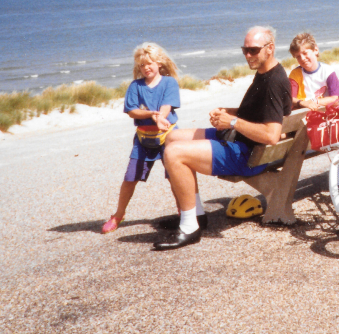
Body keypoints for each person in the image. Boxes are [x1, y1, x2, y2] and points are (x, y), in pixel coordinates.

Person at [152, 26, 292, 250]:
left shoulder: (274, 82)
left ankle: (190, 227)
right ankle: (196, 214)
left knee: (174, 153)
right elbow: (259, 112)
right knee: (171, 138)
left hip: (248, 154)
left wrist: (232, 122)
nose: (248, 55)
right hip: (238, 139)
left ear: (270, 48)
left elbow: (272, 135)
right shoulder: (266, 71)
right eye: (244, 50)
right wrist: (229, 112)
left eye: (253, 50)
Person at [102, 43, 182, 234]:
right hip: (143, 139)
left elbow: (167, 105)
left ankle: (184, 214)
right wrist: (150, 115)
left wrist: (160, 117)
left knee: (175, 177)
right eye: (142, 65)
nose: (146, 68)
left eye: (150, 63)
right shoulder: (135, 86)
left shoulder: (169, 82)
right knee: (130, 178)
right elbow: (131, 111)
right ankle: (118, 215)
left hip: (168, 136)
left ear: (159, 63)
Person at [288, 32, 339, 111]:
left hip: (325, 113)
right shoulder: (295, 74)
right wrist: (303, 103)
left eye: (305, 53)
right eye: (298, 56)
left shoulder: (327, 71)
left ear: (316, 50)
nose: (302, 58)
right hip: (303, 113)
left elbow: (335, 98)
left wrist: (314, 101)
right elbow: (290, 99)